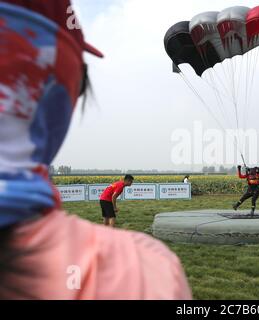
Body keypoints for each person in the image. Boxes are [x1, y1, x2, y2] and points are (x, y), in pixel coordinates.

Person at [0, 1, 191, 300]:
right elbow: (113, 194)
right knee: (109, 218)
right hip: (107, 207)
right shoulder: (146, 272)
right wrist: (115, 206)